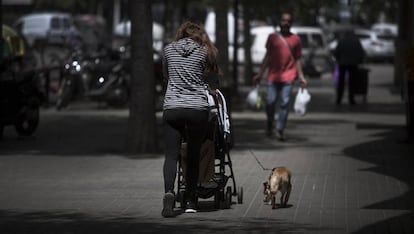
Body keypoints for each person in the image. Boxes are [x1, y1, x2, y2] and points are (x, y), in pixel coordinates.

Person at [161, 21, 220, 217]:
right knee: (193, 155)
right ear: (199, 35)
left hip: (172, 108)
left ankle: (169, 193)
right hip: (196, 108)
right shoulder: (204, 52)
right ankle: (191, 200)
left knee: (171, 155)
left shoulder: (168, 50)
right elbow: (210, 79)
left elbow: (165, 76)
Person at [253, 11, 307, 141]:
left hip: (289, 76)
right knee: (270, 102)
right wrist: (260, 73)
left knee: (284, 103)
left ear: (291, 23)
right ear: (280, 22)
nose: (286, 23)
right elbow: (267, 56)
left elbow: (298, 58)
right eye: (284, 20)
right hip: (272, 76)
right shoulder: (272, 37)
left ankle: (280, 129)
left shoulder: (296, 39)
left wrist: (301, 76)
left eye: (288, 21)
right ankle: (270, 124)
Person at [333, 30, 365, 105]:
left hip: (343, 64)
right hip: (353, 64)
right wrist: (359, 61)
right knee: (352, 82)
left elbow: (336, 53)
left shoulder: (341, 41)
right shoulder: (356, 42)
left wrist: (339, 60)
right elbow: (361, 53)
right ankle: (351, 99)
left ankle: (339, 98)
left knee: (341, 82)